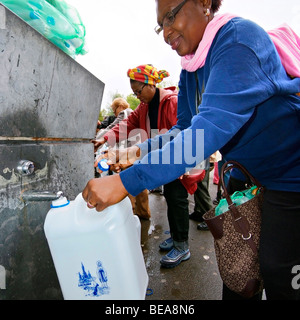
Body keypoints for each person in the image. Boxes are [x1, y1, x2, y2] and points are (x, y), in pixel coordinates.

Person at [83, 0, 300, 300]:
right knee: (238, 270)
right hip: (245, 175)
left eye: (171, 16)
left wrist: (125, 182)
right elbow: (182, 130)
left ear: (203, 3)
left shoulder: (238, 40)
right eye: (161, 25)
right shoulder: (190, 69)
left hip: (289, 174)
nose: (166, 32)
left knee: (278, 268)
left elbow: (204, 134)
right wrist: (136, 152)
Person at [94, 64, 193, 268]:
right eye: (134, 93)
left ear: (151, 84)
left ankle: (183, 246)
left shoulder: (172, 101)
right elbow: (128, 124)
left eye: (139, 91)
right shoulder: (144, 106)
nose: (137, 96)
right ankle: (176, 238)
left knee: (177, 198)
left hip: (177, 157)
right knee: (170, 197)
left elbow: (181, 133)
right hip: (161, 157)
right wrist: (105, 139)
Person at [95, 97, 151, 220]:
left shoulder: (124, 113)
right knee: (140, 184)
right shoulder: (136, 112)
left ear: (120, 107)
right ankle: (144, 212)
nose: (115, 113)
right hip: (138, 151)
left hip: (128, 154)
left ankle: (131, 216)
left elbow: (113, 127)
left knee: (127, 184)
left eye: (114, 110)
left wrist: (100, 138)